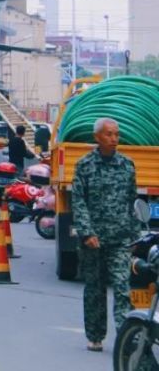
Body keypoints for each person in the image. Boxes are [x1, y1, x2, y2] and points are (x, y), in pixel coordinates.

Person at [71, 117, 137, 353]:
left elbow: (132, 202)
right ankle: (95, 336)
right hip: (93, 240)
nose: (114, 139)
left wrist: (135, 236)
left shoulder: (127, 165)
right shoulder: (85, 165)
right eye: (109, 134)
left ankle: (126, 336)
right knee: (95, 289)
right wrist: (87, 232)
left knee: (122, 287)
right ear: (97, 137)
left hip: (120, 238)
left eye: (117, 134)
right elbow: (78, 201)